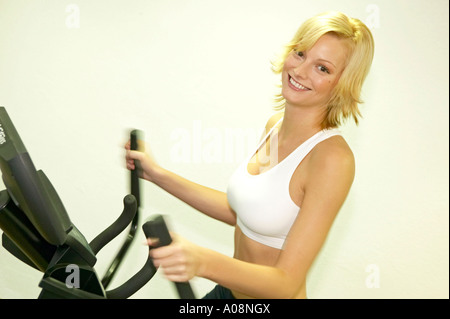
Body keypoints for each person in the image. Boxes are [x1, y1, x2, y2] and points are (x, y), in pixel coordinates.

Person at [125, 11, 374, 299]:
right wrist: (156, 174)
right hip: (229, 294)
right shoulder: (275, 127)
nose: (301, 71)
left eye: (323, 68)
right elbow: (244, 212)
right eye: (300, 53)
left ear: (344, 83)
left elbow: (286, 283)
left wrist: (202, 261)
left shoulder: (332, 159)